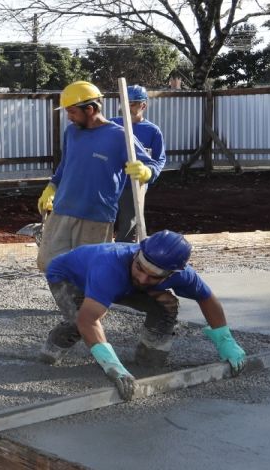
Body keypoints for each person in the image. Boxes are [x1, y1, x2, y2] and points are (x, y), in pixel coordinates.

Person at [41, 230, 248, 401]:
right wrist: (112, 366)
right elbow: (88, 320)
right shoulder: (109, 265)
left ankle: (148, 360)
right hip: (69, 277)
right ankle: (52, 348)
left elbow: (207, 298)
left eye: (153, 276)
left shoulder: (183, 274)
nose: (142, 278)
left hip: (121, 282)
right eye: (140, 267)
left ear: (172, 274)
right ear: (137, 254)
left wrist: (225, 340)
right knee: (80, 319)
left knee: (165, 305)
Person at [36, 81, 160, 271]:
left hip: (96, 216)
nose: (68, 117)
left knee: (88, 269)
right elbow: (65, 166)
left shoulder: (120, 136)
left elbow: (153, 164)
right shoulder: (71, 132)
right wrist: (51, 188)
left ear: (90, 109)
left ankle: (86, 292)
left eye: (72, 112)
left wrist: (146, 171)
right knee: (48, 264)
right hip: (62, 210)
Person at [110, 85, 166, 242]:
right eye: (124, 103)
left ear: (143, 105)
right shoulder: (112, 125)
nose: (127, 107)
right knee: (104, 224)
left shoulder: (152, 131)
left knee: (128, 225)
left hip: (134, 186)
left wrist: (148, 172)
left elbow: (159, 159)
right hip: (111, 184)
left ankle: (124, 252)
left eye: (132, 104)